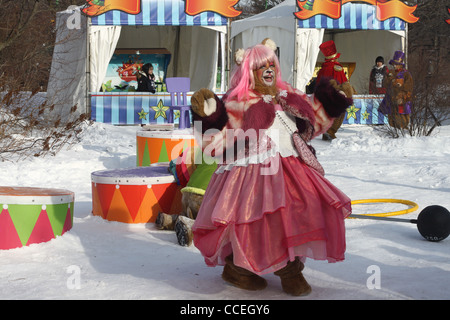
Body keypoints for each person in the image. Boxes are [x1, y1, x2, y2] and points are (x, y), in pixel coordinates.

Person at [189, 39, 352, 296]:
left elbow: (314, 121)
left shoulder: (289, 96)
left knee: (302, 210)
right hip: (250, 170)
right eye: (259, 66)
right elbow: (216, 140)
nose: (267, 70)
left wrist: (331, 101)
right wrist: (210, 115)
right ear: (247, 72)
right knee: (253, 220)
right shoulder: (239, 102)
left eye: (270, 64)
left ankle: (289, 268)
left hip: (291, 166)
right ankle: (242, 269)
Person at [316, 40, 354, 140]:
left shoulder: (322, 69)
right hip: (335, 95)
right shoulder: (337, 67)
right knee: (339, 113)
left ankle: (326, 132)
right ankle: (330, 131)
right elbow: (343, 82)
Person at [380, 51, 413, 129]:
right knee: (391, 117)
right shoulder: (390, 73)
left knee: (402, 117)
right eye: (394, 64)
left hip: (401, 99)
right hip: (390, 99)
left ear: (401, 65)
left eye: (397, 64)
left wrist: (402, 95)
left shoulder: (406, 74)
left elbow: (409, 86)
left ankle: (403, 131)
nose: (395, 66)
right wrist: (389, 80)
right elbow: (384, 84)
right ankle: (394, 131)